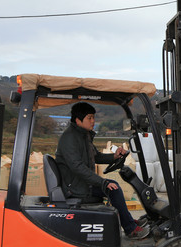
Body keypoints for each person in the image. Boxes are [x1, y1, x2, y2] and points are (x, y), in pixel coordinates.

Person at [55, 102, 149, 239]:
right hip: (75, 187)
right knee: (113, 188)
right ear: (77, 120)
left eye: (93, 117)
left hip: (80, 182)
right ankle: (130, 228)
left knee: (114, 188)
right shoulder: (69, 138)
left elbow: (96, 157)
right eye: (89, 118)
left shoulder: (83, 135)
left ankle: (128, 222)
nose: (93, 121)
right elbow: (77, 167)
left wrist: (115, 156)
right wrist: (102, 182)